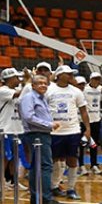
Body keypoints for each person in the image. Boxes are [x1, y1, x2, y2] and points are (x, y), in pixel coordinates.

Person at [46, 65, 90, 201]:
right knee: (53, 160)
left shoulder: (76, 91)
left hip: (72, 131)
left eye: (72, 74)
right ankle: (53, 186)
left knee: (72, 160)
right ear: (59, 75)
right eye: (68, 74)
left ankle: (71, 188)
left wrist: (87, 129)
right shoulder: (48, 89)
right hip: (54, 132)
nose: (71, 76)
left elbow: (83, 111)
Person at [20, 75, 61, 204]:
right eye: (39, 83)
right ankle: (45, 198)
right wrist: (49, 124)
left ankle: (38, 197)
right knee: (44, 166)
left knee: (37, 166)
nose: (43, 85)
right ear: (33, 85)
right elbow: (28, 117)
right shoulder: (29, 97)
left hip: (41, 134)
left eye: (45, 83)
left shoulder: (41, 98)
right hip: (37, 135)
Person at [1, 68, 26, 190]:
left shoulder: (15, 90)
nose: (19, 79)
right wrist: (28, 81)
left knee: (15, 158)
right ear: (10, 79)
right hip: (5, 129)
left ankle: (13, 181)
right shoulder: (3, 91)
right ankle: (1, 182)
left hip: (17, 129)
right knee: (4, 157)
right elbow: (18, 94)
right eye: (16, 77)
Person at [83, 72, 102, 175]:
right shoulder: (84, 89)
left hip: (96, 120)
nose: (97, 81)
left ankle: (94, 164)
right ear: (90, 79)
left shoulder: (100, 89)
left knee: (94, 144)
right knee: (81, 144)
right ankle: (81, 166)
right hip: (85, 121)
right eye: (95, 79)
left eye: (98, 79)